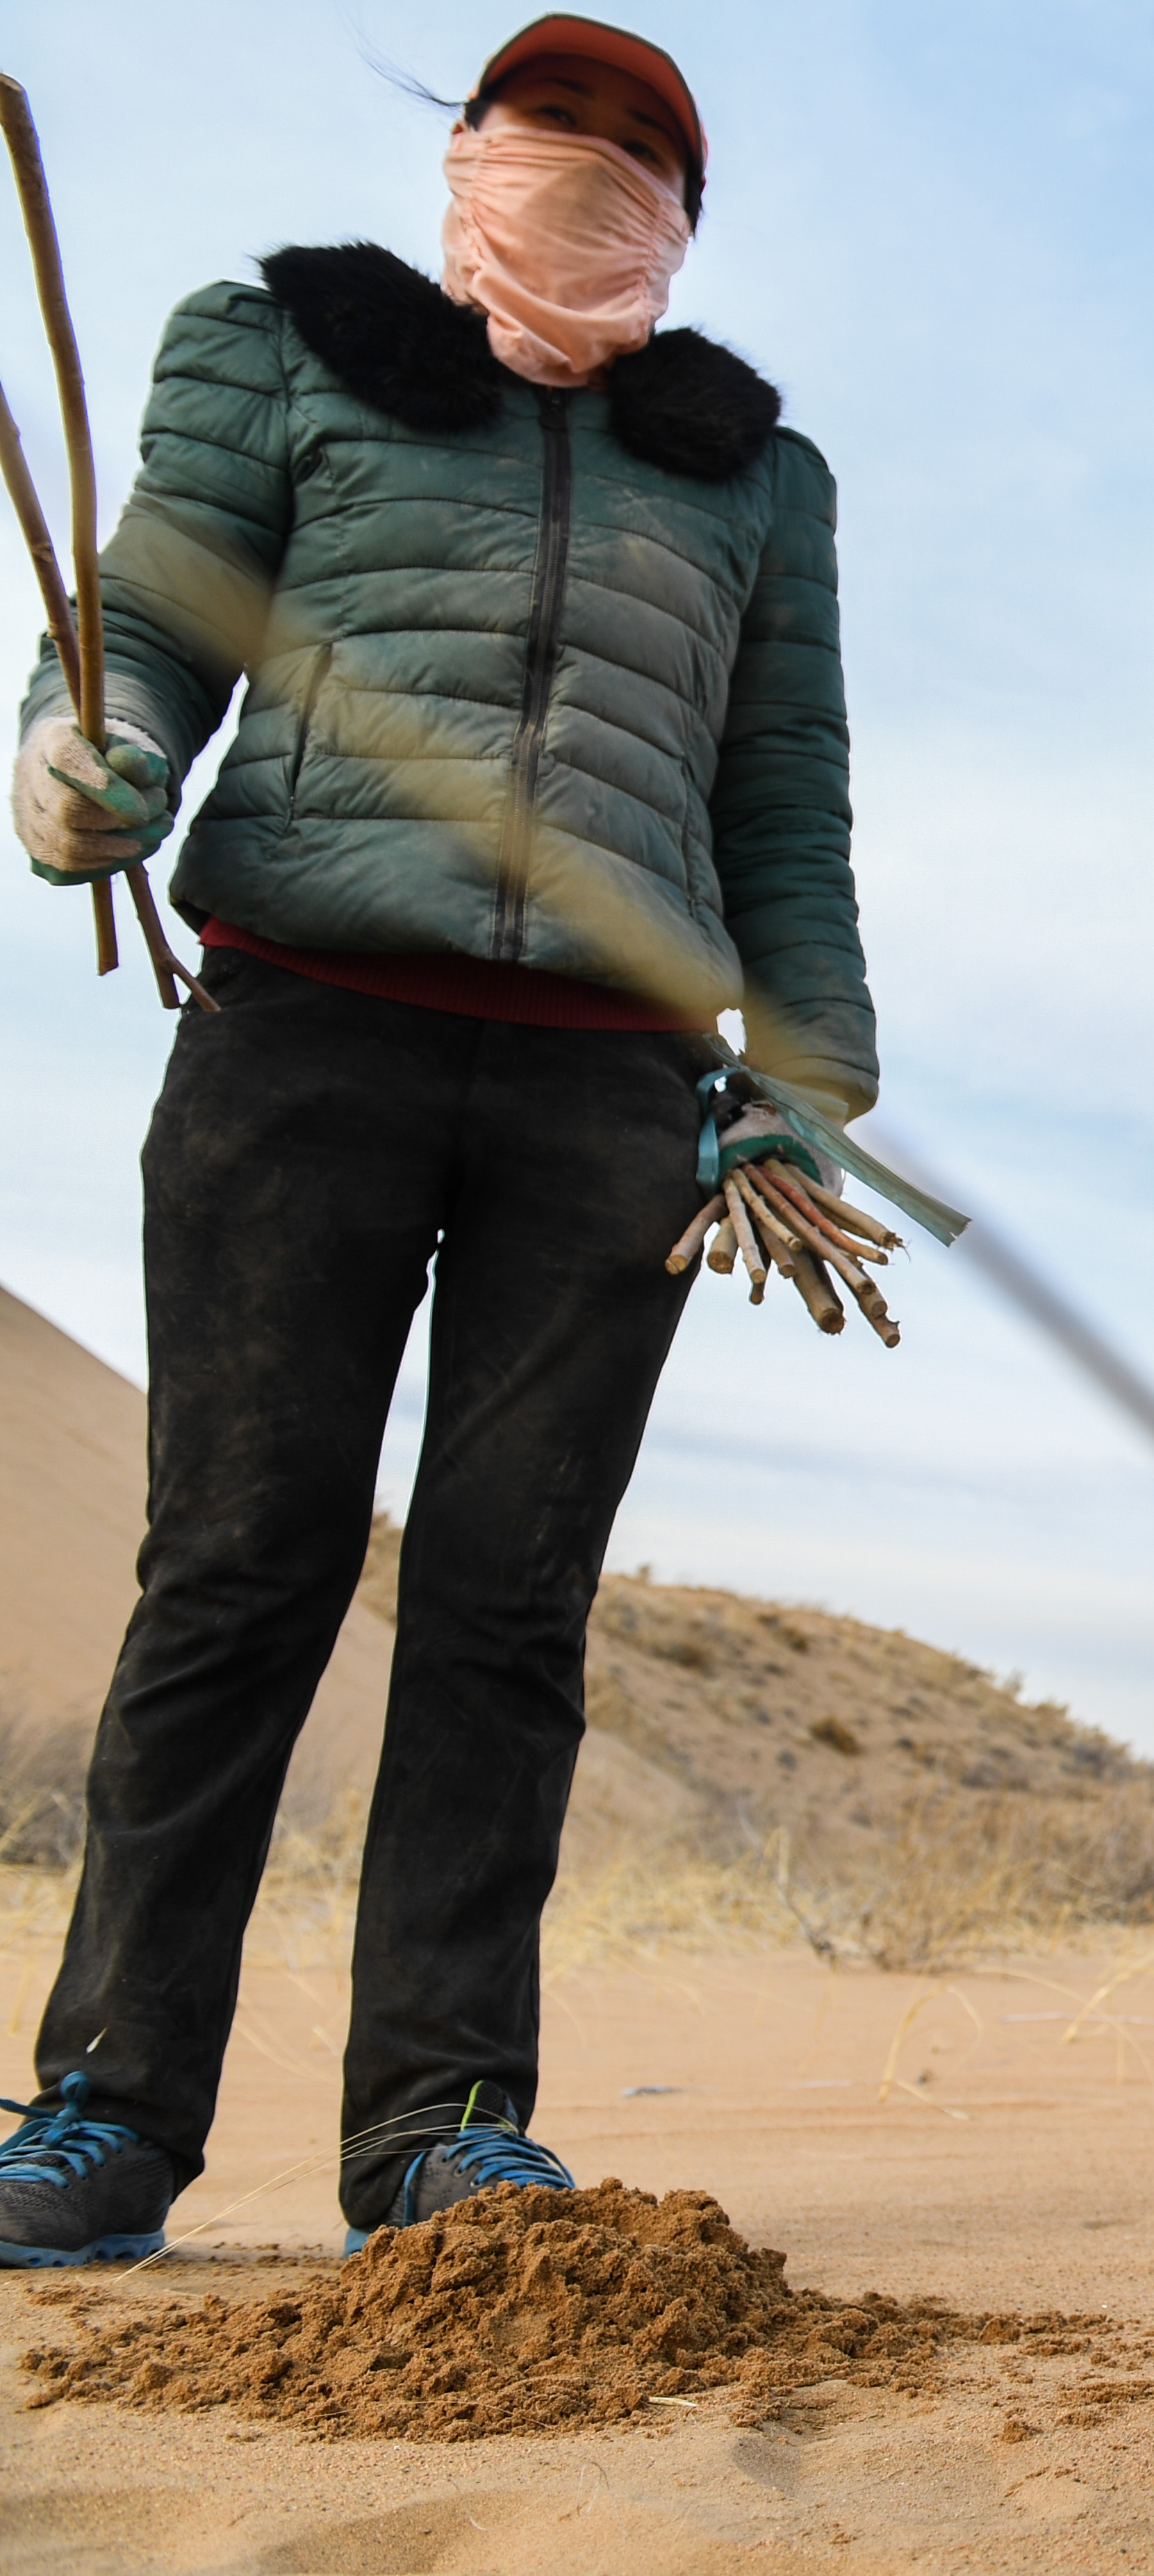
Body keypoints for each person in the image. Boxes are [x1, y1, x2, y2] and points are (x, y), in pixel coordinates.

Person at [0, 15, 868, 2267]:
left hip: (617, 1092)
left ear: (686, 215)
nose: (587, 160)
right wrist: (83, 757)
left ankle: (444, 2127)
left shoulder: (754, 475)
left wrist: (811, 1072)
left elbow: (782, 794)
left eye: (640, 144)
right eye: (550, 120)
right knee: (235, 1565)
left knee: (506, 1605)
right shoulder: (281, 346)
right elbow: (154, 622)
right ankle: (102, 2107)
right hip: (307, 1030)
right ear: (471, 150)